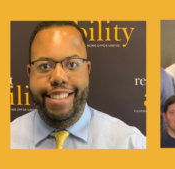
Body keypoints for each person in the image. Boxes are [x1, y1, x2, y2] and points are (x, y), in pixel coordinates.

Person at [11, 21, 146, 149]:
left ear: (87, 69)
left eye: (72, 64)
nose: (58, 77)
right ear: (30, 73)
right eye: (45, 66)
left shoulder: (131, 145)